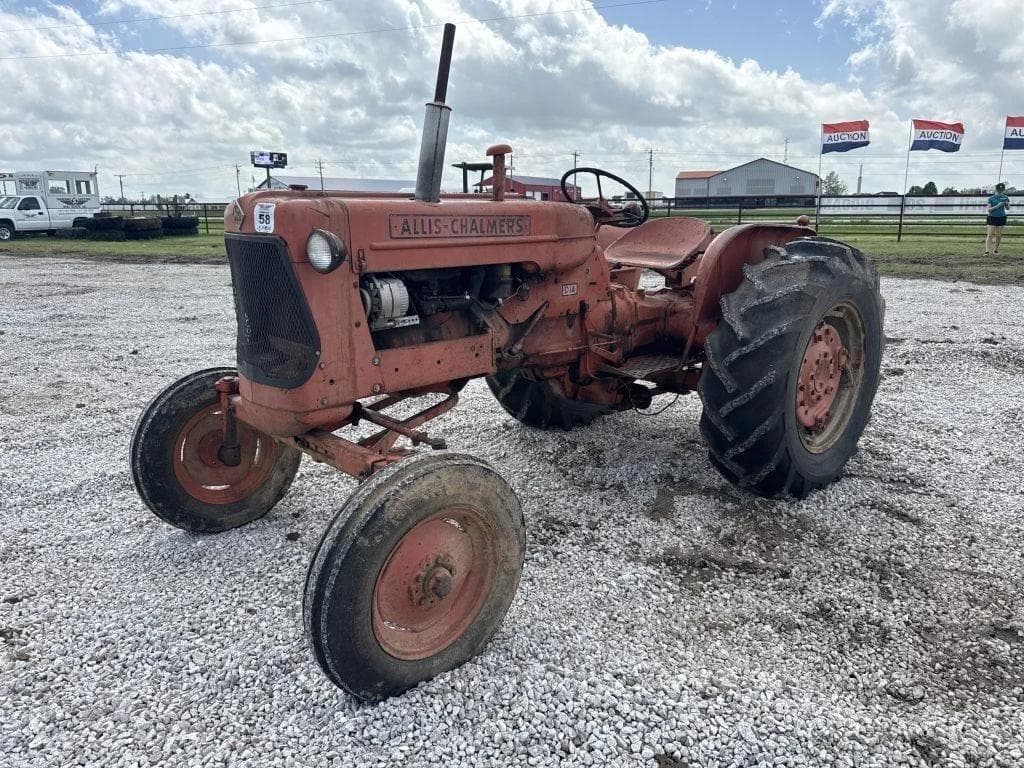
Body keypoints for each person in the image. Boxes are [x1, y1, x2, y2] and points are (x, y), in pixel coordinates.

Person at [985, 182, 1010, 256]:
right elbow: (989, 209)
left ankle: (995, 250)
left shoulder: (1005, 197)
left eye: (1002, 189)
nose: (1000, 190)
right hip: (992, 217)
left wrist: (1006, 204)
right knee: (990, 234)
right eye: (999, 189)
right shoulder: (991, 198)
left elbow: (1008, 208)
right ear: (996, 189)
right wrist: (998, 205)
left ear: (1003, 189)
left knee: (998, 235)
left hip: (1001, 217)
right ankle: (987, 251)